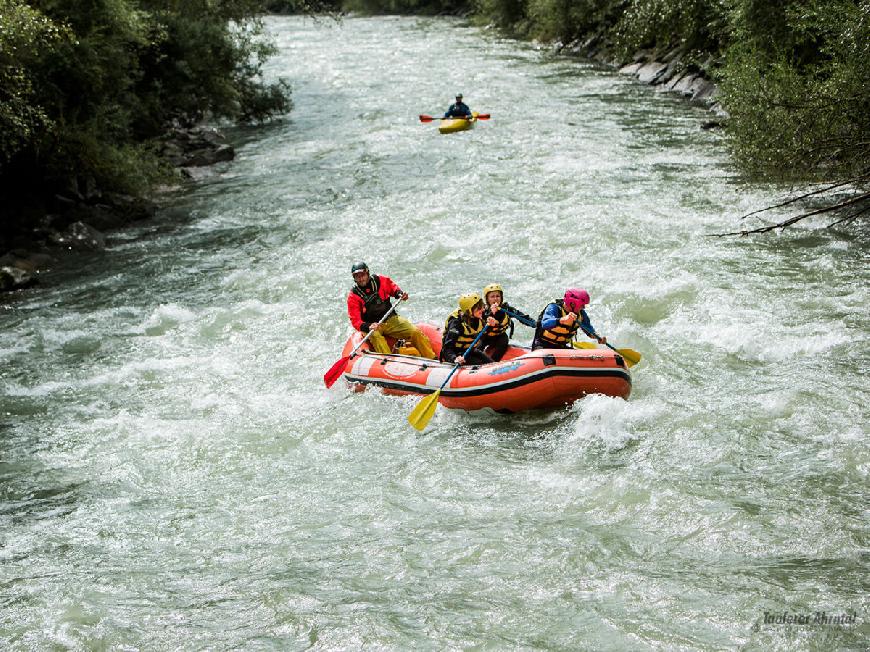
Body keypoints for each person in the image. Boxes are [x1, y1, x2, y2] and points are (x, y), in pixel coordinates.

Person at [346, 262, 436, 359]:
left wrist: (399, 293)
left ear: (367, 273)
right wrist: (368, 326)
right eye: (357, 276)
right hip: (371, 326)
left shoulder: (379, 280)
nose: (361, 279)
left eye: (362, 275)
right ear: (354, 278)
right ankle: (389, 362)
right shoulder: (353, 296)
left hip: (389, 319)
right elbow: (355, 321)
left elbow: (392, 288)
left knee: (414, 332)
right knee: (376, 336)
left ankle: (432, 357)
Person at [532, 288, 607, 350]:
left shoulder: (581, 314)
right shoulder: (554, 308)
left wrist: (598, 337)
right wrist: (562, 320)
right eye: (582, 305)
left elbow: (589, 329)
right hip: (542, 346)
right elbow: (545, 323)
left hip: (561, 347)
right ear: (572, 303)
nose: (583, 307)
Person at [480, 283, 534, 361]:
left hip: (499, 336)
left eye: (498, 296)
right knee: (477, 347)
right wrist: (492, 313)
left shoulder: (506, 309)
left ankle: (492, 362)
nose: (495, 299)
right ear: (487, 299)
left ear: (501, 298)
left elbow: (521, 317)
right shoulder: (482, 311)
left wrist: (535, 324)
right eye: (492, 296)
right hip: (485, 336)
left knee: (504, 341)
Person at [441, 293, 494, 366]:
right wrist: (454, 359)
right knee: (479, 364)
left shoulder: (479, 315)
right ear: (469, 311)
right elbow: (447, 348)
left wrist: (490, 325)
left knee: (492, 363)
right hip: (456, 354)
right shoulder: (456, 323)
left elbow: (484, 334)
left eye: (482, 306)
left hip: (470, 350)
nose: (483, 309)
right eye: (479, 308)